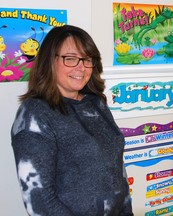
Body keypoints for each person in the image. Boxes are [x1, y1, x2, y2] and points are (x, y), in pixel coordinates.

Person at [11, 25, 134, 216]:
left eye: (87, 59)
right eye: (70, 59)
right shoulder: (34, 114)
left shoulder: (96, 103)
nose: (81, 67)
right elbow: (41, 202)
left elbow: (117, 172)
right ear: (49, 61)